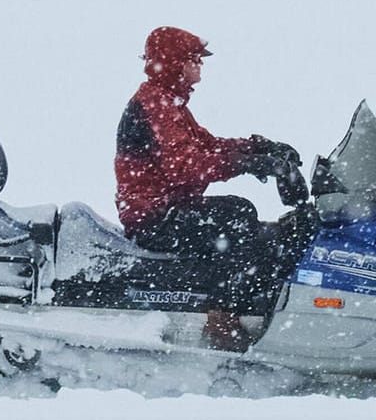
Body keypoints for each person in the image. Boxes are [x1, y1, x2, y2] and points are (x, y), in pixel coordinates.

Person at [114, 26, 315, 351]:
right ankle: (222, 321)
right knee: (237, 216)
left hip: (167, 208)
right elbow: (186, 166)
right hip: (153, 217)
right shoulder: (156, 105)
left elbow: (207, 145)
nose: (200, 67)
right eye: (195, 60)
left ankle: (250, 303)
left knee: (254, 226)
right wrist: (251, 165)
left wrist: (259, 148)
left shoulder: (167, 100)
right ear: (175, 62)